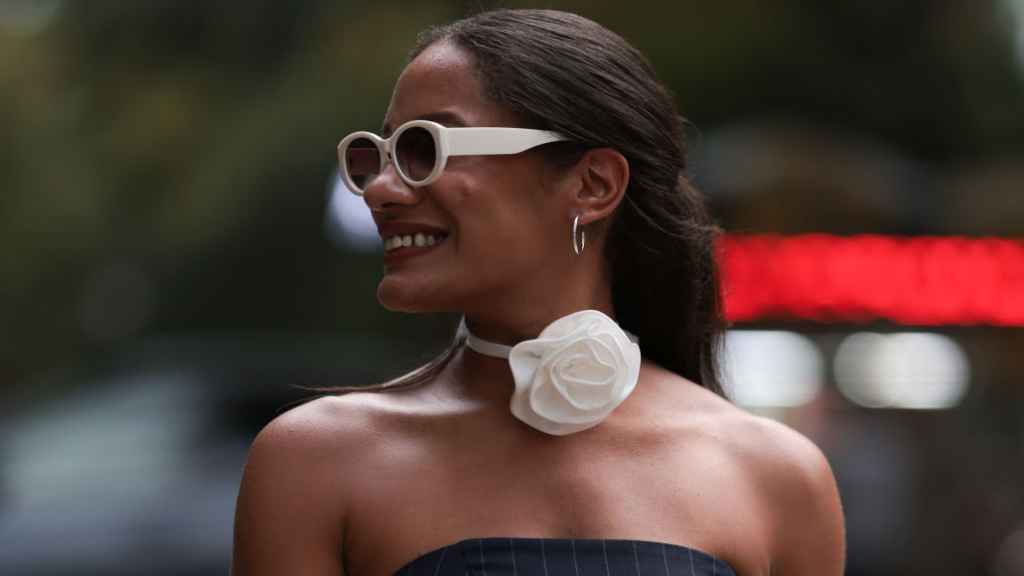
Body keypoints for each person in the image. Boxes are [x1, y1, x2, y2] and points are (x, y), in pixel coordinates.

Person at [231, 9, 844, 576]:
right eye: (378, 154)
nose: (380, 190)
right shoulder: (316, 460)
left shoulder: (776, 476)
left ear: (593, 184)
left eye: (425, 149)